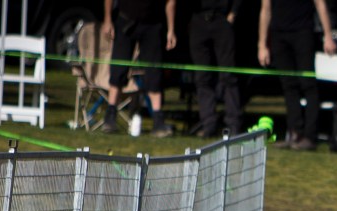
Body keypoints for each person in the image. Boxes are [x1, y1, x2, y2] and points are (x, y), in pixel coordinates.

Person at [258, 0, 337, 150]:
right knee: (288, 86)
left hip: (303, 33)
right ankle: (294, 133)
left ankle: (310, 136)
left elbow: (320, 4)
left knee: (308, 85)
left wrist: (328, 36)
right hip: (278, 35)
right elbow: (265, 10)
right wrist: (262, 45)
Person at [102, 0, 178, 137]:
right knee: (118, 70)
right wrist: (108, 20)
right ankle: (110, 116)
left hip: (152, 25)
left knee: (154, 74)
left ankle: (158, 121)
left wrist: (171, 30)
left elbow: (170, 2)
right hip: (125, 21)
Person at [188, 0, 245, 138]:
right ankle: (208, 123)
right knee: (202, 77)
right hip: (199, 19)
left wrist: (233, 12)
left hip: (222, 18)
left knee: (229, 76)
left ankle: (233, 123)